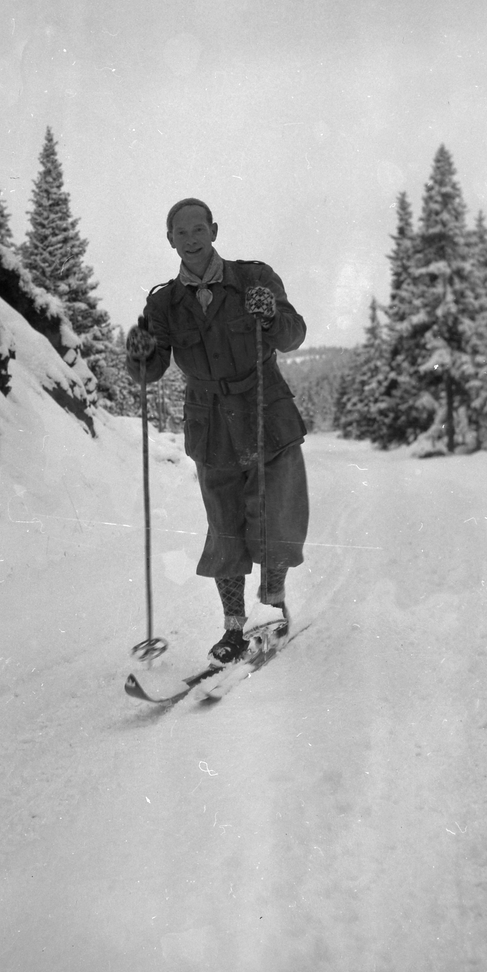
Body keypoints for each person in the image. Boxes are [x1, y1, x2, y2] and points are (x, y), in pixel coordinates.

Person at [125, 197, 309, 665]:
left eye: (198, 229)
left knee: (274, 513)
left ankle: (271, 605)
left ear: (214, 230)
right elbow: (149, 370)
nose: (191, 239)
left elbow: (291, 336)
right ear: (170, 240)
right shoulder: (164, 302)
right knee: (224, 525)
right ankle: (232, 629)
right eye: (181, 233)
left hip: (265, 408)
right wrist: (139, 352)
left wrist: (270, 315)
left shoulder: (254, 278)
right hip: (209, 419)